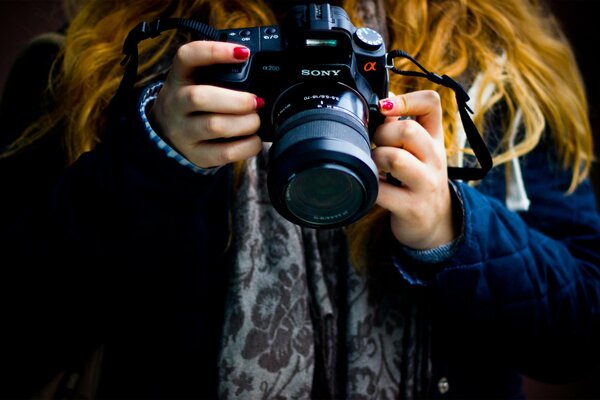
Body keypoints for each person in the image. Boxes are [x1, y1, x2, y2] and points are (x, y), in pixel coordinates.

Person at [1, 0, 599, 398]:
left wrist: (453, 227)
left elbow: (582, 328)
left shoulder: (502, 62)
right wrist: (151, 161)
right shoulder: (100, 62)